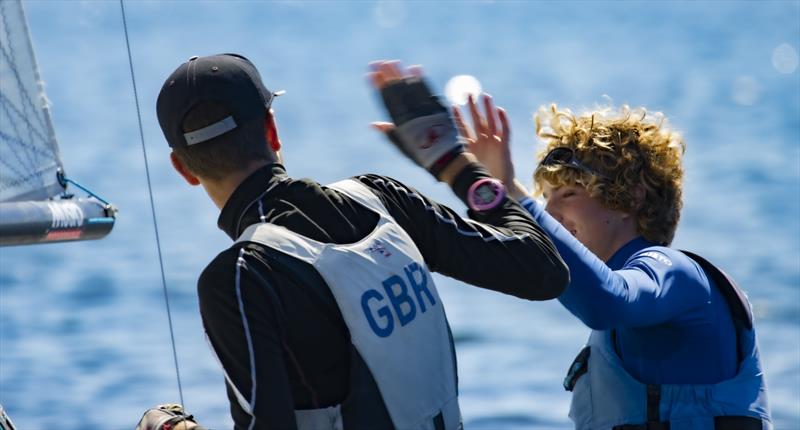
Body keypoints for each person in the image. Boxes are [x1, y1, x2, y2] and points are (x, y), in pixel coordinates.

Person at [145, 54, 568, 430]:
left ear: (183, 169)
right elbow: (542, 272)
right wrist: (455, 164)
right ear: (272, 130)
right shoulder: (380, 197)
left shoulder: (238, 279)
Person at [450, 94, 771, 429]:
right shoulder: (624, 295)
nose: (550, 213)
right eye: (546, 198)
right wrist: (494, 189)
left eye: (569, 194)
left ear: (629, 198)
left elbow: (606, 301)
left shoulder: (677, 273)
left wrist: (506, 195)